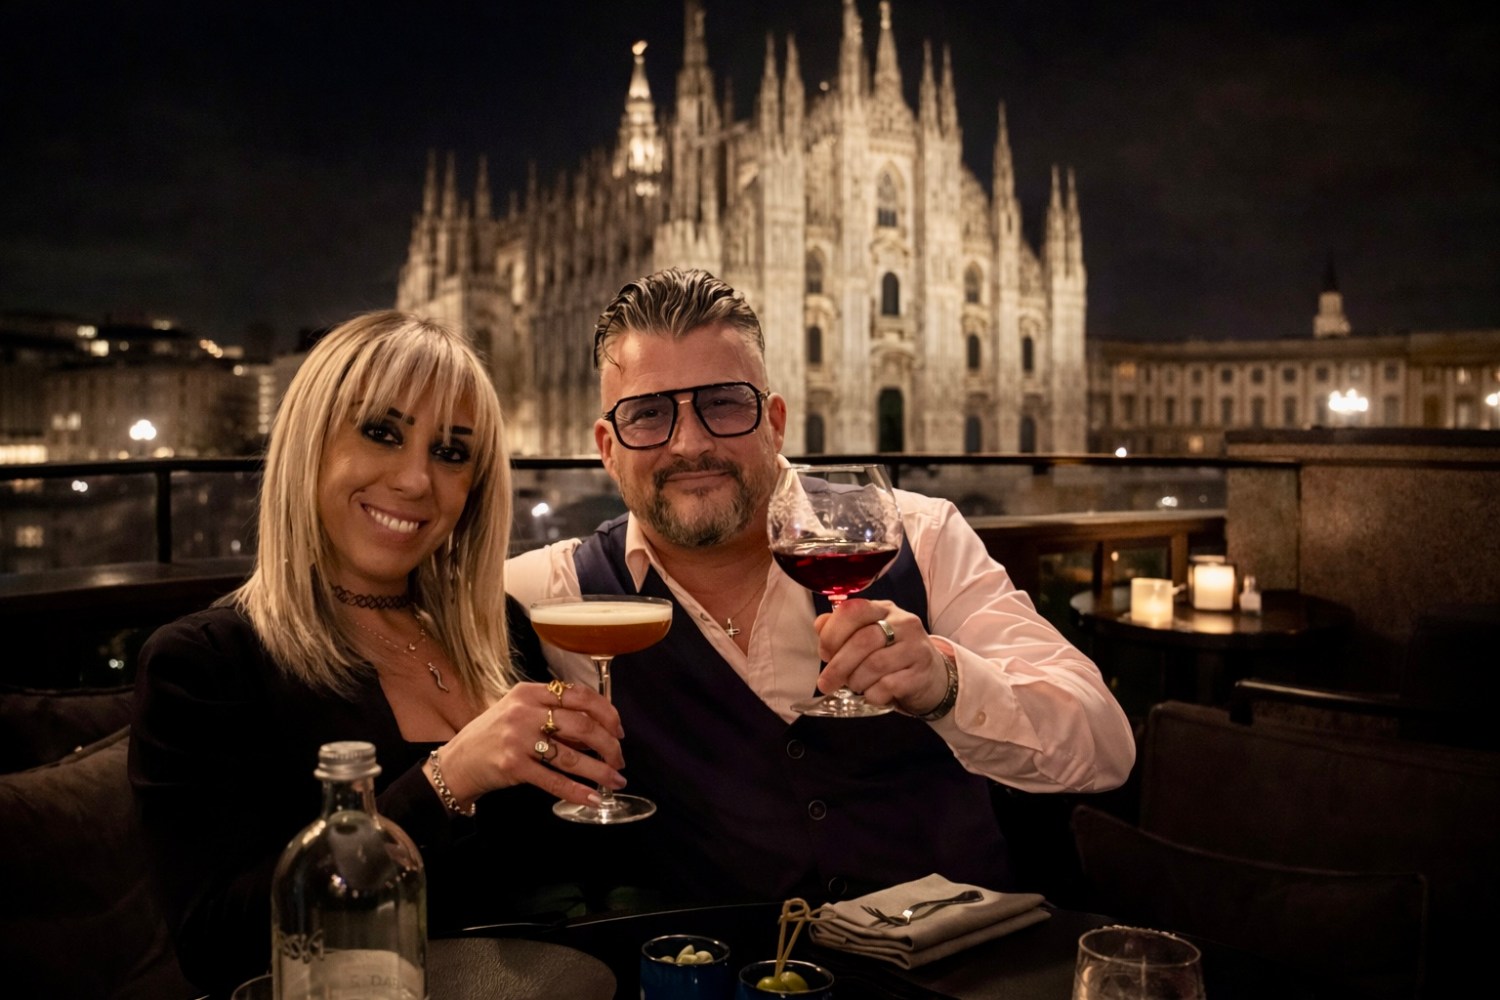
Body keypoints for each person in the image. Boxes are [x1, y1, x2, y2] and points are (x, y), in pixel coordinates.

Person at [506, 268, 1137, 905]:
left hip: (954, 973)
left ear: (775, 422)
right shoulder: (557, 593)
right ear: (606, 447)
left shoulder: (919, 535)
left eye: (724, 402)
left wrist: (948, 684)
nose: (689, 443)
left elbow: (1104, 747)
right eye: (647, 415)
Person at [129, 311, 626, 995]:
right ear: (310, 443)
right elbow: (221, 947)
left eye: (452, 453)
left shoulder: (500, 632)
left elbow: (567, 875)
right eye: (381, 433)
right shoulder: (205, 664)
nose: (416, 480)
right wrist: (445, 781)